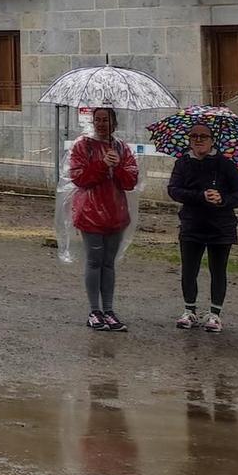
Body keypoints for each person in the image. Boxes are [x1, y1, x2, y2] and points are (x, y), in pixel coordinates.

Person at [165, 118, 238, 332]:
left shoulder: (225, 164)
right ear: (189, 140)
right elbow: (174, 190)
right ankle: (189, 310)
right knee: (189, 270)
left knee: (218, 270)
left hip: (220, 227)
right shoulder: (182, 163)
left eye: (204, 136)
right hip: (192, 225)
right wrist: (200, 196)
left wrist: (222, 199)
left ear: (213, 141)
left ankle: (215, 314)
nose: (199, 140)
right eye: (194, 136)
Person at [68, 106, 140, 332]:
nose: (101, 124)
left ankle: (108, 310)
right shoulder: (83, 146)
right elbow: (80, 178)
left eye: (106, 119)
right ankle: (94, 310)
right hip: (90, 213)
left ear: (114, 123)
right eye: (97, 119)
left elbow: (129, 181)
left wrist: (117, 165)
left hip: (115, 213)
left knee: (109, 263)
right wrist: (101, 165)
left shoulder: (121, 148)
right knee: (94, 261)